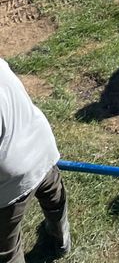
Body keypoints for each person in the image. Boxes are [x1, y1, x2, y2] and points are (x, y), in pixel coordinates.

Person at [0, 57, 70, 262]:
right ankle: (61, 240)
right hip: (41, 144)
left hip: (10, 179)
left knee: (6, 250)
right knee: (54, 196)